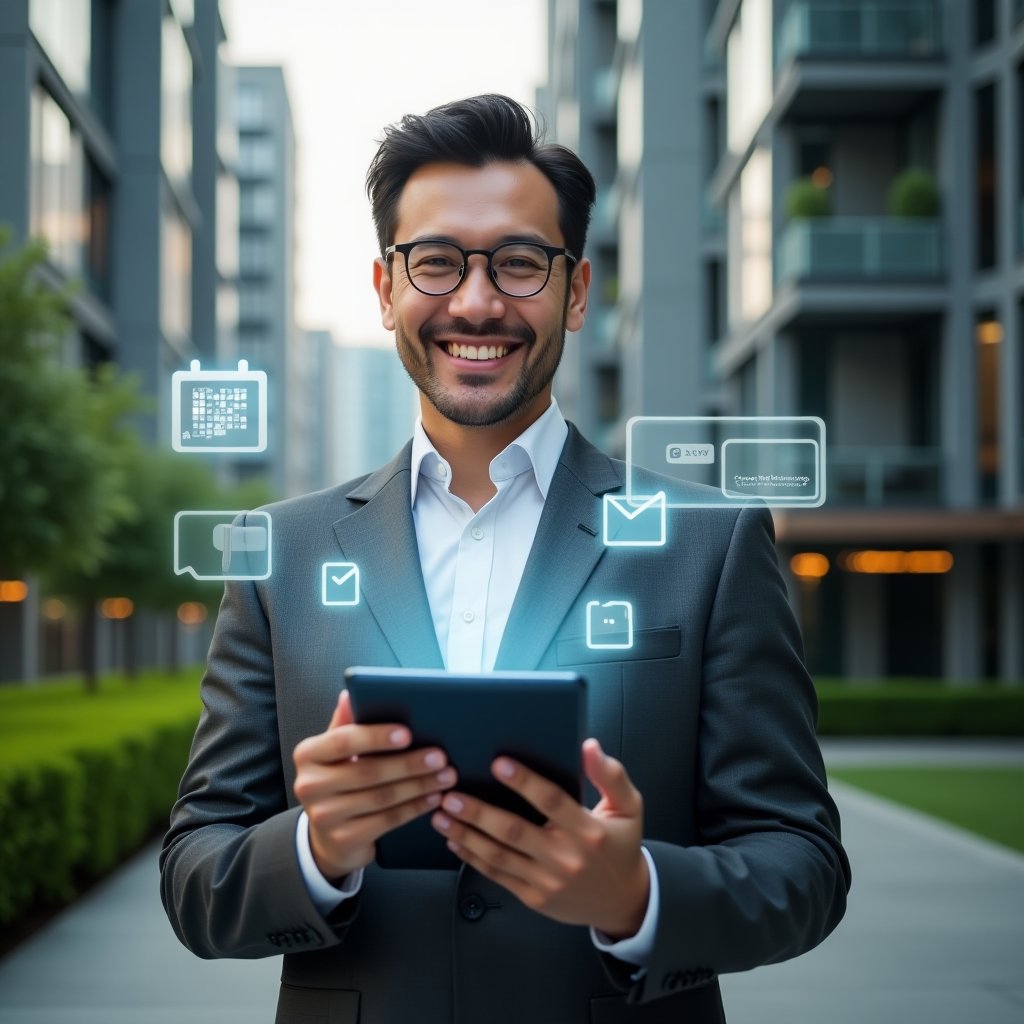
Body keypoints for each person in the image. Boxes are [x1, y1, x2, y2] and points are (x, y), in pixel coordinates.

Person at [160, 94, 850, 1024]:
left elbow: (802, 864)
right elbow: (195, 875)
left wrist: (636, 895)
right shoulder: (279, 555)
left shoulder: (710, 546)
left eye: (520, 264)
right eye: (436, 263)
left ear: (574, 291)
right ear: (385, 289)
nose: (477, 301)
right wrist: (318, 847)